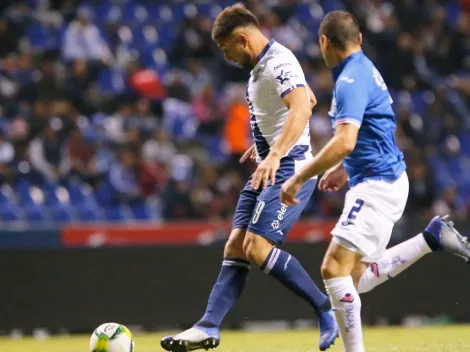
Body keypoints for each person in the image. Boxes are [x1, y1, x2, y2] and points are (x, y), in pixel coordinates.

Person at [280, 10, 470, 352]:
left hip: (377, 184)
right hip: (383, 178)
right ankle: (431, 238)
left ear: (324, 42)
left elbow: (346, 140)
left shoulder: (350, 80)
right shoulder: (366, 69)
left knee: (333, 268)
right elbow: (374, 131)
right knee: (354, 280)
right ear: (360, 39)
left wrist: (299, 177)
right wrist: (346, 167)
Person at [161, 3, 338, 352]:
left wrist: (275, 151)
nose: (227, 57)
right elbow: (309, 99)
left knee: (258, 248)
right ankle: (208, 326)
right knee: (236, 246)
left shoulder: (279, 62)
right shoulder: (262, 68)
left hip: (291, 169)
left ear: (242, 39)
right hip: (270, 163)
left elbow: (301, 108)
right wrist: (268, 142)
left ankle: (325, 307)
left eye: (226, 49)